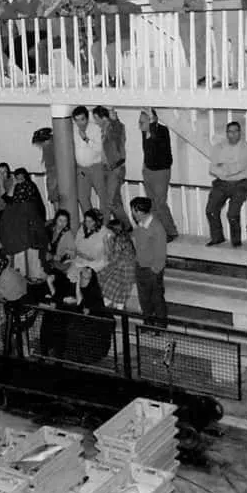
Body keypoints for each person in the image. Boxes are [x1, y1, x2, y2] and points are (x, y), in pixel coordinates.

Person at [143, 0, 210, 86]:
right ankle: (200, 76)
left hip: (197, 6)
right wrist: (172, 5)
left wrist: (166, 5)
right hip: (181, 12)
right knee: (188, 46)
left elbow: (177, 2)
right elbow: (155, 7)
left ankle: (208, 74)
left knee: (199, 43)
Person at [205, 121, 247, 247]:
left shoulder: (246, 147)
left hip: (241, 183)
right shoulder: (218, 147)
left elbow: (240, 167)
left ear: (240, 133)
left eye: (236, 131)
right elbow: (212, 168)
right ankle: (217, 238)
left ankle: (236, 242)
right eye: (230, 131)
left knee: (232, 214)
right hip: (222, 183)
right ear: (226, 133)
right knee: (210, 210)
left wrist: (223, 167)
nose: (233, 134)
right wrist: (228, 169)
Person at [0, 167, 48, 280]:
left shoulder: (28, 186)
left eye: (21, 177)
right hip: (15, 218)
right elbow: (7, 198)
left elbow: (11, 199)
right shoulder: (16, 186)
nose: (19, 179)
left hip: (27, 219)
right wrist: (11, 184)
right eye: (17, 177)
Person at [139, 109, 178, 242]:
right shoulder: (144, 133)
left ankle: (171, 231)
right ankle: (158, 231)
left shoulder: (162, 130)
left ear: (152, 120)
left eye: (142, 121)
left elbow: (157, 143)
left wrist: (151, 120)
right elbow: (147, 151)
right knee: (152, 204)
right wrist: (144, 167)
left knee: (160, 203)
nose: (140, 124)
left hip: (161, 172)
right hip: (149, 171)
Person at [91, 0, 141, 86]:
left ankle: (115, 77)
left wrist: (118, 9)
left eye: (101, 4)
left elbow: (137, 9)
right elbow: (97, 27)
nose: (99, 7)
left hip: (126, 38)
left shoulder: (120, 2)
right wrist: (102, 39)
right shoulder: (98, 9)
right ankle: (105, 76)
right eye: (98, 4)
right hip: (107, 39)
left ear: (108, 1)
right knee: (95, 48)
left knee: (111, 49)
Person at [130, 197, 168, 328]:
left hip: (152, 271)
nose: (132, 214)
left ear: (138, 211)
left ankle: (160, 326)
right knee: (144, 299)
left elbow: (161, 253)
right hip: (140, 267)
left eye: (133, 211)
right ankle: (148, 324)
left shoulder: (157, 228)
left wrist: (155, 270)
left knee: (157, 300)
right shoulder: (140, 225)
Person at [96, 106, 132, 228]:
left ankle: (104, 227)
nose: (95, 121)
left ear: (103, 118)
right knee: (115, 200)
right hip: (106, 168)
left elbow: (117, 130)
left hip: (115, 169)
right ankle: (125, 226)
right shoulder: (104, 130)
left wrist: (114, 120)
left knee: (109, 202)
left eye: (96, 118)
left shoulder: (113, 129)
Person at [72, 106, 107, 219]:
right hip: (81, 168)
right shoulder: (72, 129)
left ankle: (104, 223)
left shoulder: (95, 128)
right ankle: (91, 222)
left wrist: (86, 139)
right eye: (76, 120)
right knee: (82, 197)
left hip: (96, 166)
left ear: (87, 118)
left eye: (82, 119)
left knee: (103, 196)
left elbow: (99, 148)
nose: (79, 123)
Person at [99, 219, 137, 310]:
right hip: (126, 266)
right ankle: (110, 299)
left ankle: (116, 301)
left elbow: (113, 259)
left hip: (125, 269)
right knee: (105, 272)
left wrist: (106, 243)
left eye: (108, 230)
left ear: (113, 230)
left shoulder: (119, 241)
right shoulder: (124, 237)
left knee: (103, 275)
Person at [68, 209, 111, 281]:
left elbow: (105, 252)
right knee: (70, 276)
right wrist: (80, 254)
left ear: (96, 222)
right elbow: (76, 245)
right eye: (86, 221)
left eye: (90, 221)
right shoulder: (82, 229)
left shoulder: (104, 231)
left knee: (86, 278)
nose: (87, 223)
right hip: (81, 260)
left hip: (97, 263)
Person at [31, 128, 59, 208]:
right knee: (55, 199)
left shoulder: (50, 146)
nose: (39, 146)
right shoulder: (51, 144)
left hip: (54, 174)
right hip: (53, 173)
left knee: (55, 198)